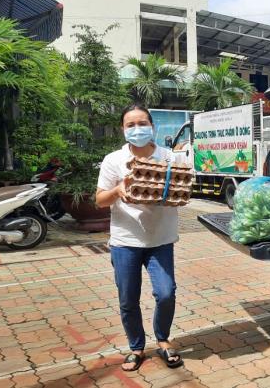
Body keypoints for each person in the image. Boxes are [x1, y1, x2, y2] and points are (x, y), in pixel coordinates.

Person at [96, 104, 185, 372]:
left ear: (152, 126)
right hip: (125, 241)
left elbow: (182, 193)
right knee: (128, 298)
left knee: (166, 293)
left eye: (142, 123)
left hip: (161, 239)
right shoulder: (114, 160)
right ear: (123, 129)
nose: (137, 129)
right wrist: (117, 190)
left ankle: (163, 339)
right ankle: (136, 346)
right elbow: (99, 200)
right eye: (131, 125)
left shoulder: (170, 158)